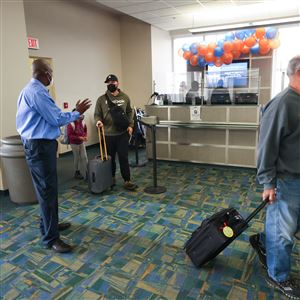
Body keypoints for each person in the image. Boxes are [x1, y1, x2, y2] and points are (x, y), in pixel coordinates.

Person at [16, 59, 91, 253]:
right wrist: (76, 112)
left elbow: (49, 118)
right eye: (50, 72)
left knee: (46, 190)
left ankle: (49, 226)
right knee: (47, 191)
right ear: (45, 73)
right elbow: (56, 119)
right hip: (40, 147)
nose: (52, 76)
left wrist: (74, 114)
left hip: (38, 146)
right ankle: (51, 238)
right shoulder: (37, 92)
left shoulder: (29, 90)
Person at [249, 55, 300, 299]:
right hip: (285, 180)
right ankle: (278, 275)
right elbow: (266, 147)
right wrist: (268, 183)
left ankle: (264, 241)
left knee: (288, 226)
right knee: (283, 231)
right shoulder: (281, 104)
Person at [94, 74, 137, 191]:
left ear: (117, 83)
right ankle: (111, 179)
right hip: (107, 134)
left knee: (124, 157)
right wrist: (98, 121)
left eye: (112, 82)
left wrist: (130, 125)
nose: (110, 84)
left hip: (122, 133)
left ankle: (127, 180)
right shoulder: (101, 99)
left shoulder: (125, 97)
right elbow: (97, 114)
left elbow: (129, 112)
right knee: (109, 158)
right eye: (108, 83)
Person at [67, 110, 88, 180]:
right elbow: (70, 136)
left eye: (82, 114)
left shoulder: (83, 122)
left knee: (84, 157)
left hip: (81, 142)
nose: (82, 116)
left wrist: (84, 136)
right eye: (80, 114)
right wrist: (79, 137)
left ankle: (88, 172)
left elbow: (85, 131)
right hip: (74, 143)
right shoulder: (71, 124)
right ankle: (77, 172)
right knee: (77, 157)